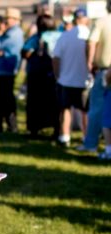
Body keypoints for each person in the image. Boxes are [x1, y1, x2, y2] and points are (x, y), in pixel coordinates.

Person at [76, 0, 111, 153]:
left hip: (105, 70)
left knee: (97, 108)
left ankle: (91, 143)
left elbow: (91, 43)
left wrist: (89, 63)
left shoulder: (102, 22)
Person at [52, 8, 90, 147]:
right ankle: (87, 136)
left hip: (66, 79)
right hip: (84, 79)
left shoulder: (65, 36)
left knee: (66, 110)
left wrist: (57, 75)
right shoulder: (89, 35)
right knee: (85, 111)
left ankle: (65, 136)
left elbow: (56, 57)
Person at [22, 14, 60, 139]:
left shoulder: (37, 37)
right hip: (54, 74)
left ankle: (34, 129)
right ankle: (56, 129)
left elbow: (26, 52)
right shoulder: (60, 35)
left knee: (35, 102)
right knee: (54, 103)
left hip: (37, 75)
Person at [0, 7, 24, 133]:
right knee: (4, 99)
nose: (5, 21)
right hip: (3, 70)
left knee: (3, 99)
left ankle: (4, 125)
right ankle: (4, 125)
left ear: (15, 20)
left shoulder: (14, 34)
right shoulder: (11, 33)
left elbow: (0, 48)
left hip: (6, 70)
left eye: (7, 19)